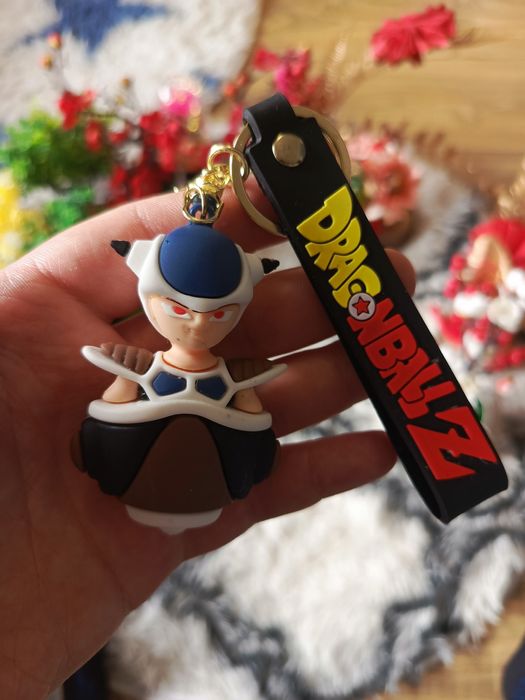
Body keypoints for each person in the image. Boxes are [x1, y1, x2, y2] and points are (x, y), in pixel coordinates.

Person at [0, 184, 414, 698]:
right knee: (106, 435)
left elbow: (253, 426)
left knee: (250, 449)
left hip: (211, 481)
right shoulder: (145, 370)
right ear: (150, 298)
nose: (197, 323)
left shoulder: (233, 378)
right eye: (178, 308)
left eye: (217, 314)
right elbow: (113, 408)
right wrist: (125, 387)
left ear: (238, 309)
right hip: (139, 475)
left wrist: (246, 407)